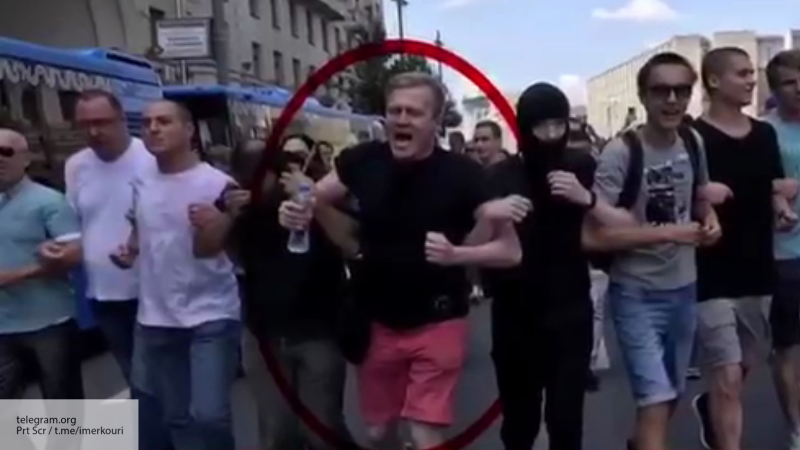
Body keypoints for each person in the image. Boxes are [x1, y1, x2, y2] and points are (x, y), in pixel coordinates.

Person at [278, 71, 522, 450]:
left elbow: (510, 252)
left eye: (414, 112)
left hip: (440, 317)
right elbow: (312, 198)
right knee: (379, 433)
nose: (402, 119)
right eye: (395, 111)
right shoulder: (362, 160)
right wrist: (295, 210)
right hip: (377, 319)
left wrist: (458, 254)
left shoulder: (464, 174)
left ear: (436, 122)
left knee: (424, 432)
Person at [484, 82, 638, 450]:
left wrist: (585, 198)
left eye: (559, 124)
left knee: (567, 419)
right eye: (542, 127)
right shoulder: (500, 176)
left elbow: (623, 224)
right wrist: (493, 214)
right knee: (519, 421)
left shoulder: (582, 166)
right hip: (514, 314)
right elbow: (478, 242)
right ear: (525, 128)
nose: (552, 135)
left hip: (570, 310)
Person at [589, 52, 719, 450]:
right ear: (644, 96)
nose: (672, 100)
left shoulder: (693, 142)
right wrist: (670, 234)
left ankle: (638, 442)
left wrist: (710, 219)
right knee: (655, 398)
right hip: (636, 293)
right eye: (661, 90)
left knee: (670, 394)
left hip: (684, 288)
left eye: (681, 90)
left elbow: (699, 197)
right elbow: (592, 237)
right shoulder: (621, 152)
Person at [116, 100, 241, 450]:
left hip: (212, 313)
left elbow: (233, 249)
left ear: (189, 131)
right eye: (146, 123)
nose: (153, 128)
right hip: (156, 317)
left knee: (209, 415)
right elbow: (141, 228)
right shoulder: (140, 182)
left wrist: (221, 220)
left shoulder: (218, 183)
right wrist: (130, 250)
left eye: (164, 121)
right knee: (176, 416)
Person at [691, 47, 797, 450]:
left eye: (752, 72)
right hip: (710, 270)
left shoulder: (764, 134)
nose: (752, 80)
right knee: (729, 375)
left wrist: (782, 206)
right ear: (714, 81)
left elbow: (771, 185)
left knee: (744, 363)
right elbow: (676, 193)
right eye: (742, 73)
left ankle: (710, 409)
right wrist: (702, 196)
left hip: (758, 267)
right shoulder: (693, 137)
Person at [224, 133, 358, 450]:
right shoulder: (242, 206)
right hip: (264, 333)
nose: (254, 185)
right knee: (278, 432)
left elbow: (352, 244)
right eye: (246, 177)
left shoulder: (319, 196)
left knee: (321, 429)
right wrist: (230, 216)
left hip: (318, 331)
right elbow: (229, 254)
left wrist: (313, 202)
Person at [65, 90, 156, 386]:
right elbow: (76, 220)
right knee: (134, 377)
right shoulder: (76, 166)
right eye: (85, 124)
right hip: (103, 293)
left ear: (122, 119)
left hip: (153, 291)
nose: (94, 132)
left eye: (102, 122)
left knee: (157, 378)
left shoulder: (151, 159)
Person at [0, 128, 84, 399]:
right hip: (4, 325)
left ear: (25, 159)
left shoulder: (49, 201)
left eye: (6, 152)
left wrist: (17, 275)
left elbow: (74, 255)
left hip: (49, 323)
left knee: (62, 405)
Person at [762, 49, 800, 449]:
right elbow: (747, 182)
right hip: (786, 253)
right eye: (790, 82)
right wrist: (773, 193)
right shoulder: (764, 132)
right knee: (789, 347)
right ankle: (796, 429)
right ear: (775, 89)